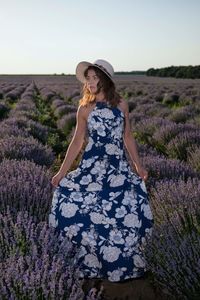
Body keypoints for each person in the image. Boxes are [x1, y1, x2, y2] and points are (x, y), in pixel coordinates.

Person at [48, 59, 154, 284]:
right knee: (82, 206)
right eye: (89, 78)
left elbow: (128, 137)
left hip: (117, 166)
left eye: (95, 78)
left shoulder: (122, 105)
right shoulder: (84, 108)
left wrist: (138, 165)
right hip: (92, 166)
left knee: (123, 210)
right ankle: (92, 262)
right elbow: (77, 142)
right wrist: (61, 173)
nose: (91, 82)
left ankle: (120, 262)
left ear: (106, 80)